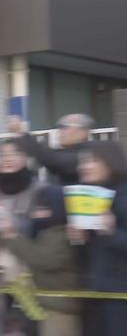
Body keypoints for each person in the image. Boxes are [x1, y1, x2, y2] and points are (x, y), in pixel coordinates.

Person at [0, 139, 44, 335]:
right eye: (3, 155)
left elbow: (44, 226)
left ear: (25, 158)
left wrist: (14, 226)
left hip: (28, 265)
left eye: (14, 154)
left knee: (34, 315)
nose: (8, 159)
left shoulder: (39, 189)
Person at [0, 185, 82, 336]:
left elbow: (43, 259)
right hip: (50, 305)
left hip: (61, 309)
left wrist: (12, 236)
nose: (36, 214)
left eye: (42, 208)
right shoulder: (46, 233)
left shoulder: (61, 234)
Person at [67, 141, 127, 336]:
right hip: (94, 291)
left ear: (111, 162)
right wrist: (79, 239)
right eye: (82, 162)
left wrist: (111, 231)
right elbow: (90, 253)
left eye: (92, 160)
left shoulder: (123, 196)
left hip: (119, 296)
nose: (84, 166)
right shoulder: (90, 198)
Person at [8, 114, 93, 185]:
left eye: (65, 127)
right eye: (60, 127)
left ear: (83, 132)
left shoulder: (88, 154)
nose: (60, 131)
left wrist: (20, 132)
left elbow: (51, 158)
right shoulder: (67, 152)